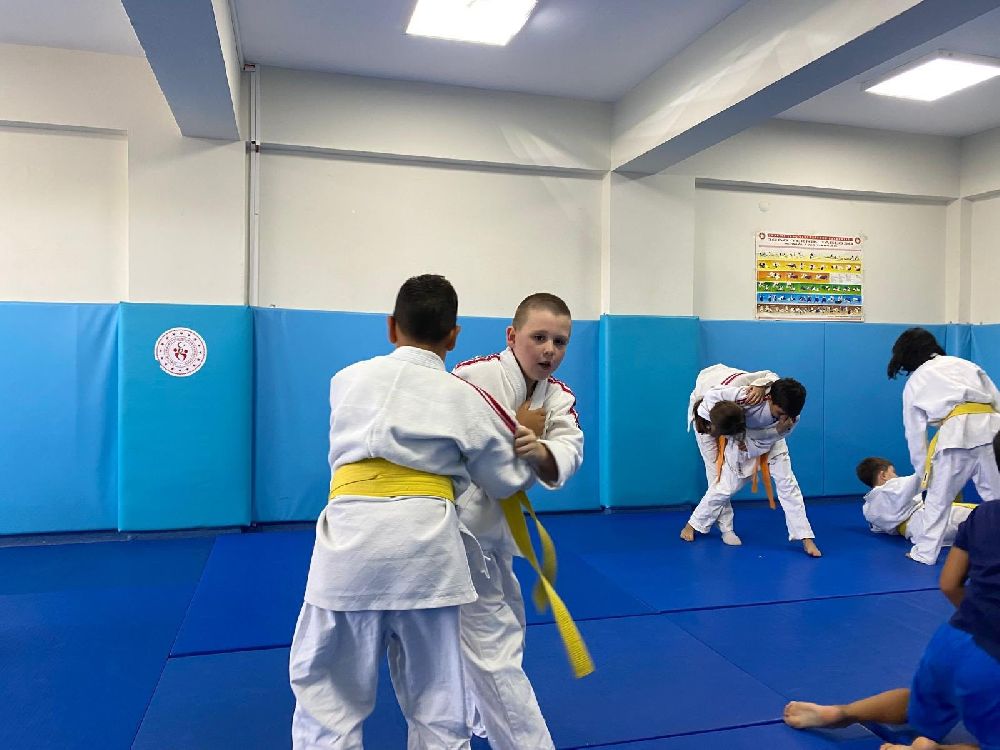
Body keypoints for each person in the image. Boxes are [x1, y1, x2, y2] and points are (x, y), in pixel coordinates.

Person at [288, 275, 542, 750]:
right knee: (438, 707)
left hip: (346, 551)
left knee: (327, 705)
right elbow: (505, 480)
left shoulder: (345, 380)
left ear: (391, 327)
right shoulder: (463, 397)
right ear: (454, 336)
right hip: (428, 556)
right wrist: (525, 439)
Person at [783, 432, 1000, 750]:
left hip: (952, 641)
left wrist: (982, 616)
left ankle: (841, 713)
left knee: (919, 702)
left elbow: (949, 583)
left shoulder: (984, 514)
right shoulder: (893, 490)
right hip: (991, 663)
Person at [451, 292, 584, 750]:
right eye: (538, 337)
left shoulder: (558, 397)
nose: (550, 350)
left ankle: (477, 717)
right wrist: (511, 435)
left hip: (498, 533)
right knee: (495, 645)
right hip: (454, 530)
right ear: (512, 336)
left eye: (560, 342)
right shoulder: (474, 376)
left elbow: (568, 452)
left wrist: (539, 449)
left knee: (510, 625)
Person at [887, 328, 1000, 564]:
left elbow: (915, 433)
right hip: (992, 429)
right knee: (996, 498)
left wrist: (923, 472)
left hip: (956, 436)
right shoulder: (966, 365)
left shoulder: (916, 381)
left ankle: (925, 553)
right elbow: (996, 399)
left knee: (938, 499)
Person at [680, 377, 821, 557]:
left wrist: (776, 431)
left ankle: (806, 538)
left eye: (789, 415)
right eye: (781, 412)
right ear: (770, 399)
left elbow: (776, 435)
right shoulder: (748, 397)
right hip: (739, 440)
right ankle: (693, 524)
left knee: (788, 486)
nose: (784, 418)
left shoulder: (790, 417)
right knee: (724, 488)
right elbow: (716, 409)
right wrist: (760, 385)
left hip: (771, 443)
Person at [686, 364, 779, 545]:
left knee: (728, 476)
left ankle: (711, 525)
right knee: (716, 475)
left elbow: (772, 376)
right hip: (709, 407)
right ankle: (725, 528)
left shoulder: (745, 392)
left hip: (728, 407)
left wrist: (761, 384)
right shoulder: (703, 418)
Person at [856, 457, 975, 549]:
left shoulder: (868, 508)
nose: (897, 476)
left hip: (919, 536)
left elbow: (878, 528)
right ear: (883, 475)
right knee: (982, 515)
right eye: (893, 472)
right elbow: (920, 480)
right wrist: (940, 462)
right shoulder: (890, 488)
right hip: (934, 520)